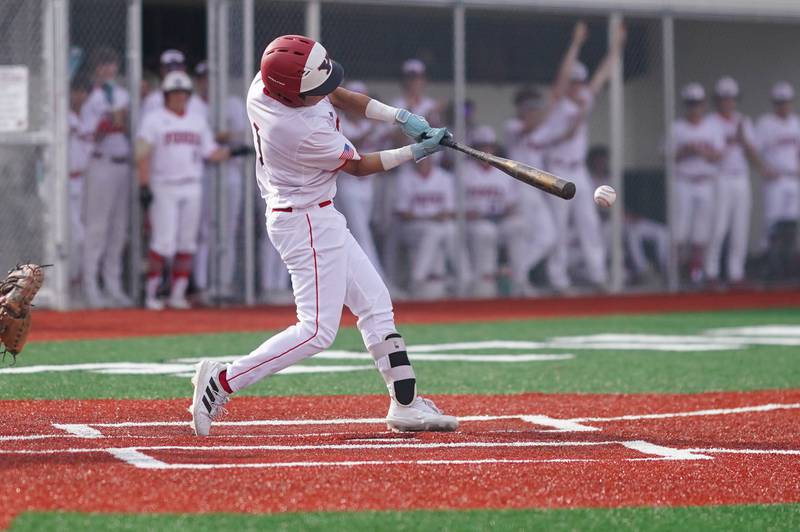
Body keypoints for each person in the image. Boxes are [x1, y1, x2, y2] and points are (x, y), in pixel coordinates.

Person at [189, 34, 458, 436]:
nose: (324, 91)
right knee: (316, 331)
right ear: (292, 95)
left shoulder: (267, 83)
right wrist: (414, 152)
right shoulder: (296, 131)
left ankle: (406, 404)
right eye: (313, 89)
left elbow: (338, 93)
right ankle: (223, 380)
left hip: (318, 215)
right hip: (304, 224)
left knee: (376, 304)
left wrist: (400, 117)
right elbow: (360, 166)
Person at [136, 71, 231, 310]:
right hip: (163, 185)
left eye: (183, 93)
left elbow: (210, 152)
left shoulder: (197, 121)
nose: (179, 97)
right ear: (166, 95)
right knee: (163, 243)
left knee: (187, 243)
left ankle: (177, 294)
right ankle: (152, 294)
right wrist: (144, 184)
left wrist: (233, 150)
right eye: (174, 93)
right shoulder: (154, 119)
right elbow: (142, 154)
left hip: (192, 185)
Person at [544, 21, 626, 292]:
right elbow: (561, 77)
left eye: (580, 81)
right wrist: (576, 43)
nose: (578, 85)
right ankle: (558, 280)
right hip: (556, 169)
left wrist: (617, 47)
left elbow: (602, 76)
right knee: (558, 227)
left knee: (589, 223)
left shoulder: (585, 100)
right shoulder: (559, 101)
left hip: (578, 169)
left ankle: (597, 275)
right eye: (574, 81)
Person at [80, 47, 133, 308]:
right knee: (97, 226)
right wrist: (109, 122)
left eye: (112, 64)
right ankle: (91, 285)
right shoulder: (91, 96)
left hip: (123, 164)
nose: (109, 69)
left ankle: (113, 285)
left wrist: (117, 121)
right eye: (104, 65)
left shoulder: (123, 94)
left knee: (118, 228)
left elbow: (126, 126)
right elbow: (90, 132)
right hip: (100, 162)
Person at [192, 61, 249, 300]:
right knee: (205, 230)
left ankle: (223, 284)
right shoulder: (194, 105)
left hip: (231, 171)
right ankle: (203, 285)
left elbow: (244, 138)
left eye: (212, 77)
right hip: (204, 172)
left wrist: (224, 136)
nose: (208, 82)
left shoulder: (233, 103)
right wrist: (218, 136)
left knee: (229, 229)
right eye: (204, 78)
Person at [705, 77, 761, 287]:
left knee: (740, 227)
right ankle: (710, 272)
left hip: (741, 177)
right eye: (724, 98)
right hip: (720, 178)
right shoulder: (710, 122)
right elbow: (712, 154)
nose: (728, 102)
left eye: (731, 98)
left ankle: (736, 273)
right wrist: (732, 141)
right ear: (717, 100)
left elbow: (753, 152)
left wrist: (742, 139)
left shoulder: (743, 121)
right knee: (718, 227)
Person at [461, 126, 526, 298]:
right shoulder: (464, 172)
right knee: (486, 232)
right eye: (481, 146)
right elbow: (457, 207)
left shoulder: (504, 170)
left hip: (500, 219)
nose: (485, 150)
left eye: (489, 146)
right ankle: (485, 285)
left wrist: (506, 211)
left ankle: (520, 282)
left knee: (517, 226)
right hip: (475, 222)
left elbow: (513, 204)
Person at [670, 82, 725, 285]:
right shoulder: (676, 127)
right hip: (683, 181)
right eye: (691, 103)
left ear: (703, 105)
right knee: (679, 230)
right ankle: (674, 274)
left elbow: (719, 155)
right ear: (686, 105)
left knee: (701, 231)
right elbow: (667, 156)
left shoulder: (712, 127)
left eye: (698, 103)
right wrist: (686, 151)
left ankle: (696, 273)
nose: (695, 107)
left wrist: (701, 152)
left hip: (705, 182)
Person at [335, 80, 386, 280]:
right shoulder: (339, 122)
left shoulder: (368, 124)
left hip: (369, 187)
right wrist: (372, 129)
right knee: (361, 233)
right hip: (347, 185)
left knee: (363, 232)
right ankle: (376, 279)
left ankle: (356, 279)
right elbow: (350, 146)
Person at [395, 155, 459, 298]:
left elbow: (450, 211)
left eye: (426, 158)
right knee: (434, 230)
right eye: (420, 158)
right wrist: (430, 217)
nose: (423, 162)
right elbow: (403, 213)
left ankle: (460, 276)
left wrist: (437, 217)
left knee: (450, 230)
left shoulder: (444, 177)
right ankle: (418, 279)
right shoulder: (405, 178)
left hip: (438, 227)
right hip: (412, 228)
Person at [755, 81, 800, 282]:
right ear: (774, 103)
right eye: (779, 102)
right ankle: (771, 267)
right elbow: (754, 150)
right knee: (772, 225)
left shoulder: (796, 123)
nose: (783, 105)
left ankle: (787, 266)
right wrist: (763, 168)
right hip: (775, 180)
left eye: (786, 101)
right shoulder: (765, 123)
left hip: (792, 178)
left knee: (791, 224)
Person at [68, 77, 93, 291]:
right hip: (62, 183)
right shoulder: (60, 117)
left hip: (82, 180)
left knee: (81, 235)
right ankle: (67, 281)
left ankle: (73, 281)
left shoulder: (84, 117)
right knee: (74, 235)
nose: (80, 96)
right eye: (76, 91)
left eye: (83, 91)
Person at [141, 49, 205, 117]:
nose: (174, 71)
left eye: (178, 67)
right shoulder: (151, 100)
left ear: (184, 69)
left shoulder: (196, 101)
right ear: (162, 70)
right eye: (169, 68)